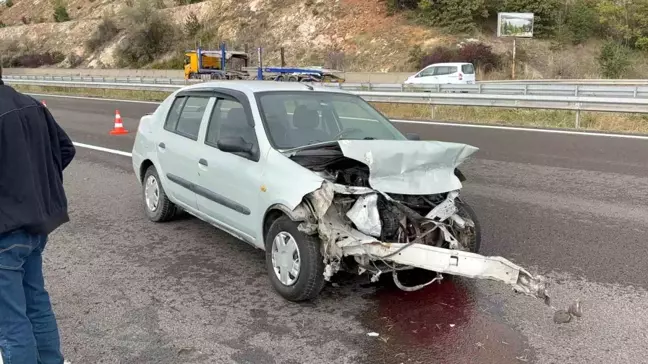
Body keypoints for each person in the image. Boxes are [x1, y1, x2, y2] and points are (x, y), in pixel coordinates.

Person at [0, 66, 75, 363]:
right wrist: (38, 191)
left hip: (4, 233)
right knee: (37, 307)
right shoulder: (31, 105)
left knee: (11, 324)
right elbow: (65, 150)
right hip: (34, 228)